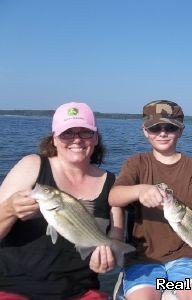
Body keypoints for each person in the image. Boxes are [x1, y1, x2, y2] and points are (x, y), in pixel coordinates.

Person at [0, 102, 125, 300]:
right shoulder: (32, 165)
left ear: (95, 138)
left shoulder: (113, 182)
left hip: (82, 291)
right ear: (54, 140)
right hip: (15, 288)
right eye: (67, 133)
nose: (76, 139)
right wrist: (8, 210)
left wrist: (109, 258)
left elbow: (116, 236)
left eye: (85, 132)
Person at [109, 100, 192, 300]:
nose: (162, 133)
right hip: (143, 257)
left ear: (181, 131)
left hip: (188, 255)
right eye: (154, 128)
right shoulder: (136, 163)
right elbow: (113, 196)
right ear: (144, 131)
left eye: (170, 127)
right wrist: (140, 190)